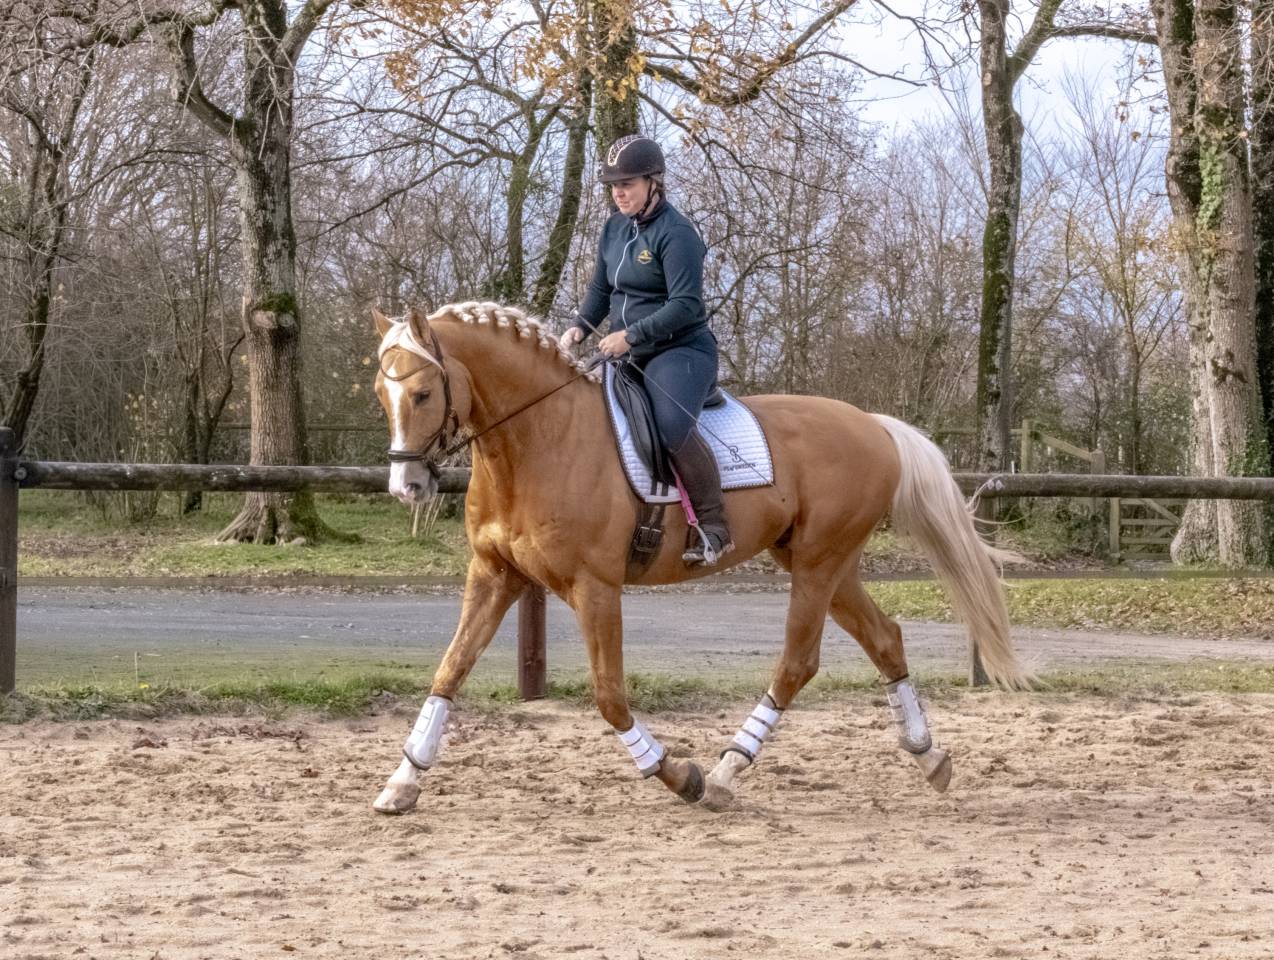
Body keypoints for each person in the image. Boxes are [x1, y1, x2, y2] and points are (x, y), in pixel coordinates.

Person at [558, 134, 733, 567]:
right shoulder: (614, 228)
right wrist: (580, 326)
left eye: (628, 184)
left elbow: (685, 305)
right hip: (625, 352)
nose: (619, 193)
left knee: (671, 426)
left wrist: (631, 335)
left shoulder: (678, 235)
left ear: (654, 182)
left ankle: (714, 526)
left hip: (680, 351)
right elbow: (602, 288)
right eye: (614, 186)